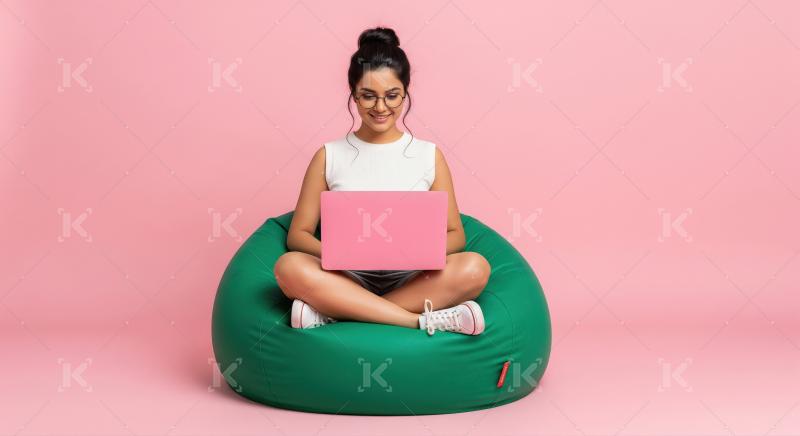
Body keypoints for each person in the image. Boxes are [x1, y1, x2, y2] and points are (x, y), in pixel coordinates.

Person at [273, 26, 491, 336]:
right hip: (346, 275)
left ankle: (339, 311)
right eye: (368, 96)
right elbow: (299, 234)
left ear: (406, 92)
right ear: (353, 94)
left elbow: (456, 233)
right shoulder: (328, 155)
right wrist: (341, 254)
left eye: (392, 96)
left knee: (475, 268)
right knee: (289, 267)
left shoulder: (429, 155)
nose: (380, 107)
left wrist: (421, 252)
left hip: (412, 277)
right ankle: (418, 320)